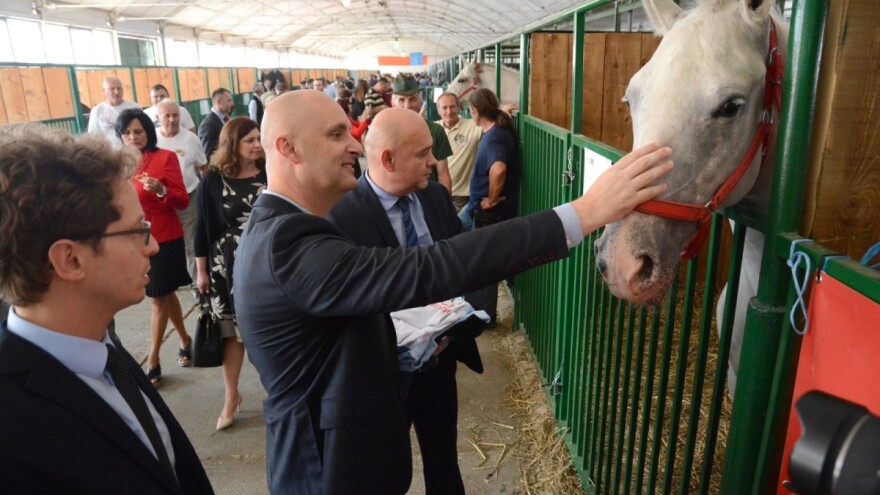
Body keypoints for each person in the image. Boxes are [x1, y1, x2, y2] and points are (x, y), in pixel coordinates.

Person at [233, 90, 673, 494]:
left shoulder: (289, 231)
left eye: (348, 132)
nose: (353, 145)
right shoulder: (287, 243)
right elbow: (431, 266)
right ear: (288, 148)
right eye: (335, 135)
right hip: (324, 472)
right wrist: (584, 212)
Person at [0, 125, 214, 494]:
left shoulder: (101, 349)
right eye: (136, 230)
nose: (152, 246)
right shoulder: (12, 429)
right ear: (70, 260)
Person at [328, 109, 482, 495]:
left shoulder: (435, 197)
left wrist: (455, 323)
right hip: (384, 374)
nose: (433, 161)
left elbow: (462, 264)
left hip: (440, 359)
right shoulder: (341, 214)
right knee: (385, 472)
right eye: (423, 153)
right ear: (388, 159)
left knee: (443, 461)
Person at [194, 117, 266, 431]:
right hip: (225, 265)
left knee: (265, 329)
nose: (257, 145)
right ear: (232, 145)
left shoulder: (270, 171)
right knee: (230, 336)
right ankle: (231, 396)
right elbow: (202, 228)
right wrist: (201, 272)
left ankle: (280, 392)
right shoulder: (213, 178)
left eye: (259, 138)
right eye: (250, 140)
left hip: (265, 260)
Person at [116, 109, 194, 387]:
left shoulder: (165, 158)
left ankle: (153, 360)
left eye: (138, 131)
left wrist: (162, 190)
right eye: (126, 132)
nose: (132, 137)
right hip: (132, 239)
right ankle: (185, 340)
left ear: (148, 132)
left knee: (157, 298)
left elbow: (182, 200)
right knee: (165, 294)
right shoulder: (118, 165)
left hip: (163, 238)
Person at [460, 88, 522, 326]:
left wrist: (493, 198)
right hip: (476, 207)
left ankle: (485, 317)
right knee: (456, 236)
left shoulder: (494, 137)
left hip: (489, 211)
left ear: (475, 111)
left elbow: (499, 169)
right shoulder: (497, 129)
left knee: (483, 264)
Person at [156, 99, 208, 286]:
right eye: (167, 116)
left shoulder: (191, 139)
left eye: (175, 115)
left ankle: (196, 283)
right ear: (158, 118)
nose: (172, 119)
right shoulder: (152, 140)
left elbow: (203, 168)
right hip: (160, 200)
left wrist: (205, 194)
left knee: (191, 241)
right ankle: (168, 280)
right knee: (164, 241)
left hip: (188, 197)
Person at [390, 75, 453, 193]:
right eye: (402, 100)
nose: (407, 105)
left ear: (420, 102)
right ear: (393, 103)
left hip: (429, 198)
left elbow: (443, 174)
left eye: (412, 99)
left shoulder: (436, 131)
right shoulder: (386, 133)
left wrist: (445, 202)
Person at [436, 91, 483, 211]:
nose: (449, 111)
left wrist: (503, 110)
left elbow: (491, 121)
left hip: (462, 195)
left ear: (458, 108)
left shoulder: (473, 125)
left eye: (452, 107)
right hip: (438, 193)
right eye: (444, 108)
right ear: (438, 110)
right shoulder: (433, 129)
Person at [87, 76, 140, 148]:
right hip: (108, 152)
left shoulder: (134, 107)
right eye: (112, 89)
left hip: (131, 150)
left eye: (119, 88)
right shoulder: (97, 111)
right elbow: (93, 136)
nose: (116, 92)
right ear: (104, 91)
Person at [198, 88, 233, 162]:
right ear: (219, 102)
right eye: (229, 100)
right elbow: (208, 155)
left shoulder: (225, 119)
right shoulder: (208, 125)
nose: (232, 104)